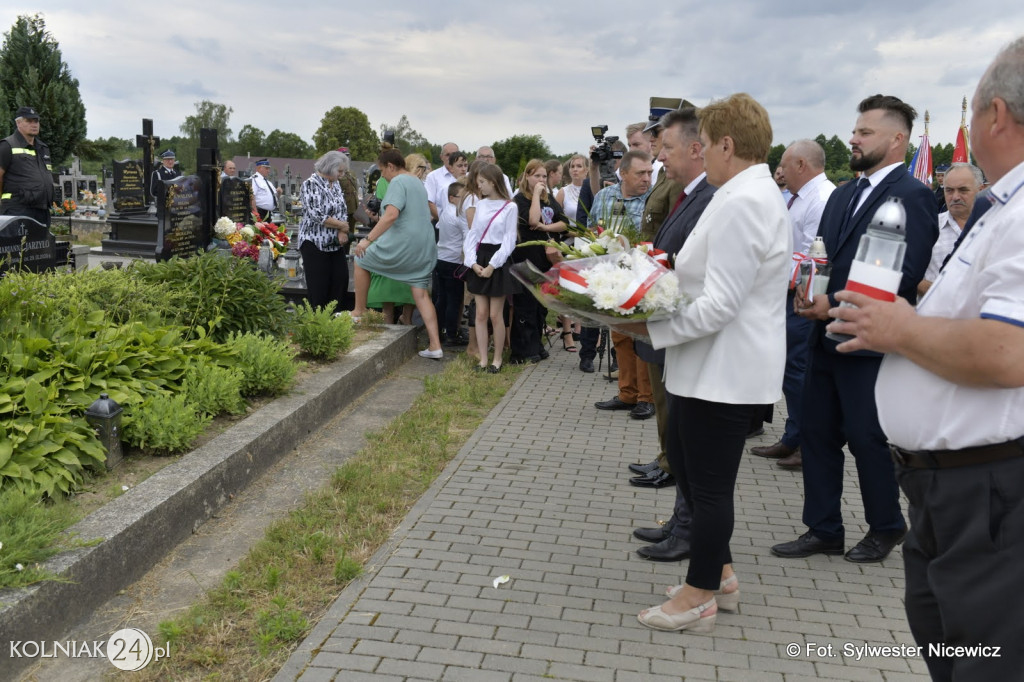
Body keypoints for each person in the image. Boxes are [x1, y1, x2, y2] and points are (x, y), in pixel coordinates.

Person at [825, 37, 1024, 680]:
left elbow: (1009, 351)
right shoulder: (1004, 209)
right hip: (953, 488)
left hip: (988, 493)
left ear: (995, 115)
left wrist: (900, 330)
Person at [614, 93, 790, 633]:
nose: (700, 153)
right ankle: (724, 574)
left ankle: (699, 594)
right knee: (692, 473)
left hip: (725, 369)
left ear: (727, 145)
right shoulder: (740, 193)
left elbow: (722, 302)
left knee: (708, 489)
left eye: (707, 144)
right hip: (710, 364)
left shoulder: (744, 201)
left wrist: (647, 325)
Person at [771, 94, 938, 564]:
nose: (854, 138)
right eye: (856, 129)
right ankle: (823, 528)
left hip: (870, 341)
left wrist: (834, 302)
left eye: (865, 132)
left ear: (896, 139)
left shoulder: (913, 195)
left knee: (867, 437)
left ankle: (886, 526)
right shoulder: (845, 192)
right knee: (818, 434)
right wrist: (811, 292)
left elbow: (903, 274)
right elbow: (822, 253)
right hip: (825, 333)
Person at [631, 106, 715, 559]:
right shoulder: (688, 192)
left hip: (687, 332)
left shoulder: (711, 196)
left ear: (695, 149)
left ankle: (688, 532)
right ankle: (680, 522)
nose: (660, 158)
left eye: (666, 147)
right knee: (679, 439)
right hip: (673, 328)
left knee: (689, 444)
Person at [750, 140, 835, 470]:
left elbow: (815, 255)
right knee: (791, 371)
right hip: (790, 294)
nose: (780, 171)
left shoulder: (821, 198)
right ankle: (793, 436)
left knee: (801, 373)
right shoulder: (799, 199)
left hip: (804, 296)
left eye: (785, 165)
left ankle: (807, 445)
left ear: (802, 164)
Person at [351, 149, 443, 359]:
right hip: (425, 246)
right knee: (420, 294)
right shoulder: (417, 182)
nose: (382, 175)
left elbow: (391, 215)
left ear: (391, 166)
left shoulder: (399, 182)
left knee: (360, 258)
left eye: (382, 170)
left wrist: (368, 239)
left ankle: (359, 311)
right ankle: (435, 346)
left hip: (406, 244)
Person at [589, 150, 657, 422]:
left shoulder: (654, 199)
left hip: (644, 278)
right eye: (641, 173)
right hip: (613, 278)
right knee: (620, 336)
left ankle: (646, 398)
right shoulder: (604, 197)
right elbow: (591, 228)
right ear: (623, 173)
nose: (647, 178)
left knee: (642, 339)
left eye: (650, 173)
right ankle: (627, 393)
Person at [510, 158, 568, 363]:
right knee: (525, 304)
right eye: (537, 176)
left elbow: (564, 223)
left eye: (544, 176)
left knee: (540, 305)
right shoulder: (520, 200)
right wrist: (535, 194)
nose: (542, 180)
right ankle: (523, 349)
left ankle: (537, 344)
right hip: (526, 257)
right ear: (527, 176)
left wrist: (546, 229)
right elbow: (533, 220)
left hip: (545, 259)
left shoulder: (549, 199)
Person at [463, 164, 518, 372]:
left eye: (482, 183)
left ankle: (497, 359)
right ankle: (483, 359)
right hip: (480, 256)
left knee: (496, 315)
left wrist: (493, 265)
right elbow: (473, 235)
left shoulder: (510, 207)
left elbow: (509, 240)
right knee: (480, 313)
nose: (479, 187)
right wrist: (473, 262)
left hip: (498, 260)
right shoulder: (481, 204)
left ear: (493, 183)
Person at [296, 151, 351, 314]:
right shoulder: (311, 184)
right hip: (314, 242)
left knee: (340, 280)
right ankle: (318, 324)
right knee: (319, 287)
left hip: (333, 243)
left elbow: (342, 208)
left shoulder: (335, 184)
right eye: (339, 171)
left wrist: (342, 230)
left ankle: (336, 319)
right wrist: (342, 225)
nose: (341, 175)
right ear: (329, 167)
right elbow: (316, 214)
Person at [917, 161, 983, 294]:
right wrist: (939, 291)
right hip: (933, 311)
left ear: (980, 190)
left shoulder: (996, 227)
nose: (955, 197)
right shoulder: (927, 227)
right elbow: (908, 274)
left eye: (963, 190)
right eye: (949, 190)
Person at [0, 106, 54, 226]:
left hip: (42, 210)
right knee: (18, 244)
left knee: (42, 244)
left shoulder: (43, 148)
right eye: (29, 121)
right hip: (17, 209)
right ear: (18, 123)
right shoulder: (7, 145)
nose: (34, 124)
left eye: (36, 121)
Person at [436, 180, 469, 346]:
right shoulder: (458, 214)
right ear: (451, 197)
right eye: (461, 197)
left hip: (441, 257)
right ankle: (451, 333)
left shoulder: (444, 212)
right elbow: (468, 235)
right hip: (453, 260)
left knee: (442, 299)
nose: (464, 200)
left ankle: (439, 331)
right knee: (454, 300)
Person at [425, 142, 459, 221]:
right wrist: (444, 221)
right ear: (441, 157)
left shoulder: (466, 175)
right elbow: (430, 202)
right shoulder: (433, 176)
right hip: (440, 223)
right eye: (447, 155)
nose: (451, 158)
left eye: (454, 154)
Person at [555, 155, 588, 228]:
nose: (575, 169)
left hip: (589, 236)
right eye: (572, 166)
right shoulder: (563, 192)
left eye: (579, 166)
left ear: (586, 170)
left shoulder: (592, 191)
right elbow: (555, 218)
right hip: (568, 235)